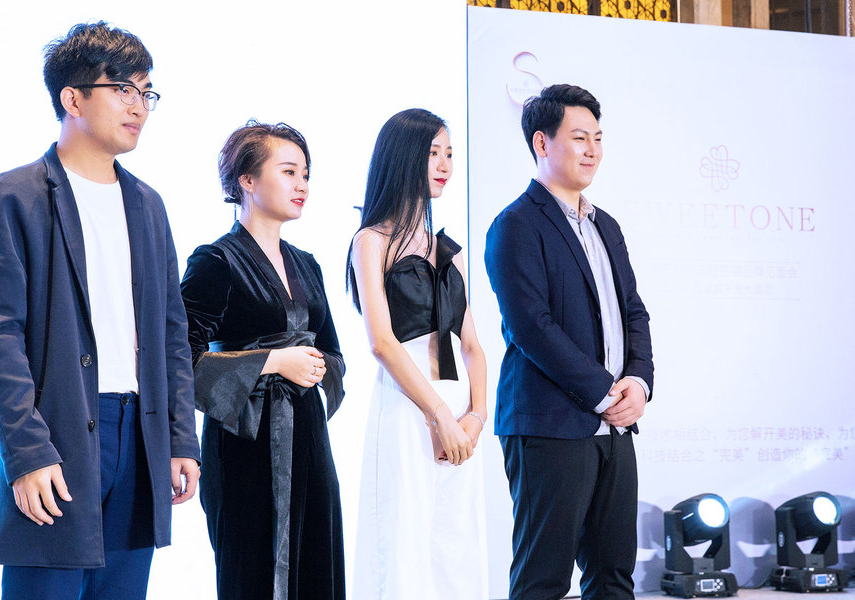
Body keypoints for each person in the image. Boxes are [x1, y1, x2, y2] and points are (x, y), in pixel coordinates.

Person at [0, 22, 200, 600]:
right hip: (59, 429)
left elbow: (172, 333)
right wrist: (26, 452)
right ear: (72, 99)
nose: (139, 106)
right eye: (122, 89)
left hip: (138, 435)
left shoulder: (148, 205)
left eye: (146, 92)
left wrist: (180, 438)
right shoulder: (16, 196)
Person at [484, 84, 654, 600]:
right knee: (544, 580)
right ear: (542, 142)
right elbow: (531, 327)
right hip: (549, 425)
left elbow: (633, 312)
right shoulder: (516, 224)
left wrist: (638, 382)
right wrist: (604, 393)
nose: (592, 150)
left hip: (615, 429)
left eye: (598, 138)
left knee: (613, 577)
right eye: (579, 138)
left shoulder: (607, 226)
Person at [180, 121, 346, 600]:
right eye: (289, 172)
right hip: (244, 444)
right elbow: (180, 358)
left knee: (316, 568)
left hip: (308, 440)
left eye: (306, 174)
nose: (302, 185)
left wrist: (317, 366)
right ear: (247, 180)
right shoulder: (216, 261)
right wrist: (272, 361)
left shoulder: (308, 264)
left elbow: (333, 352)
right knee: (250, 571)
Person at [347, 108, 489, 599]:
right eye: (433, 153)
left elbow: (472, 346)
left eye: (449, 153)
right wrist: (438, 415)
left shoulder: (448, 249)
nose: (445, 164)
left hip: (459, 413)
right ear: (404, 156)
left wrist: (475, 416)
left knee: (456, 544)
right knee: (404, 541)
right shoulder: (371, 241)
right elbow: (382, 343)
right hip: (409, 408)